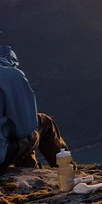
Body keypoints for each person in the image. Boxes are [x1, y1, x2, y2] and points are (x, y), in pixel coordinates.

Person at [0, 45, 73, 173]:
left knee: (13, 133)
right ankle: (68, 171)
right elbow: (26, 128)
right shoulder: (11, 75)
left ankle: (32, 172)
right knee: (43, 122)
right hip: (2, 154)